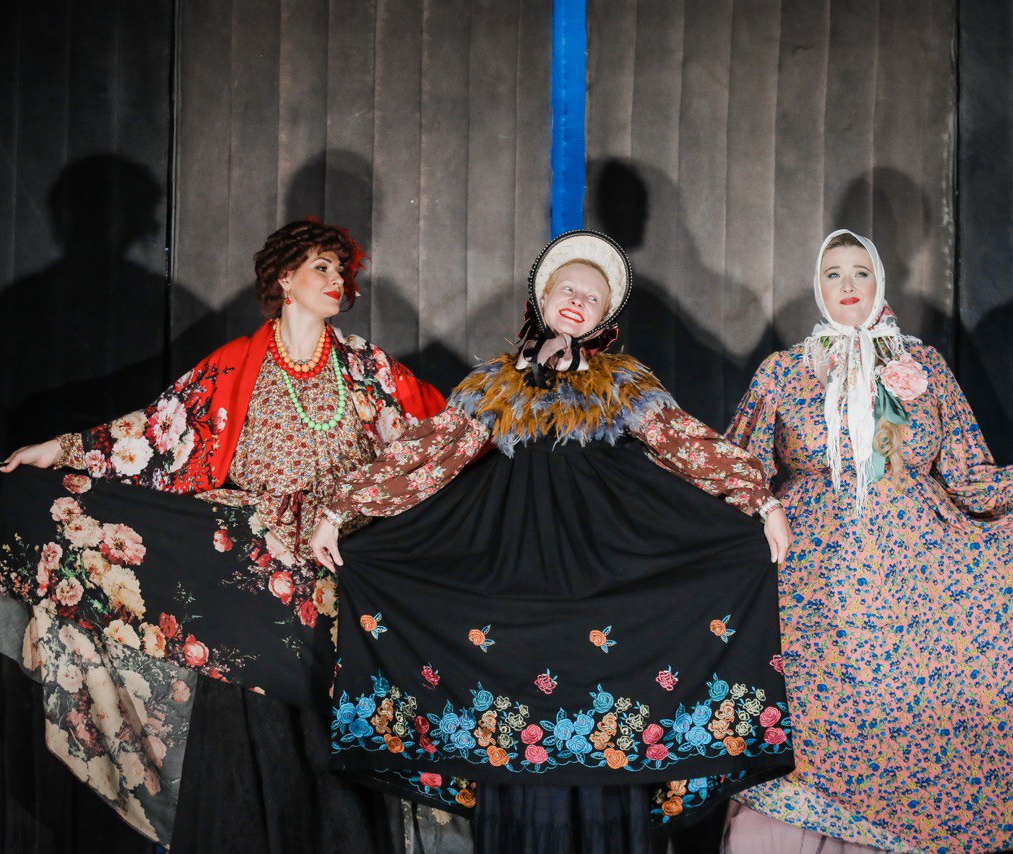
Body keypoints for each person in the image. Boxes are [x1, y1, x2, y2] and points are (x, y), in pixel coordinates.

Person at [311, 230, 795, 852]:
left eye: (591, 297)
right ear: (542, 298)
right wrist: (342, 509)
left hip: (606, 582)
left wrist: (761, 502)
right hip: (513, 584)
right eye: (568, 288)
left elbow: (687, 443)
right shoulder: (493, 386)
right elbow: (428, 455)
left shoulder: (625, 384)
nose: (576, 301)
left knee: (608, 725)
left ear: (604, 318)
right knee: (517, 731)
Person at [0, 219, 452, 850]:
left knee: (334, 724)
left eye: (341, 271)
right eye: (320, 267)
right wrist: (60, 450)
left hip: (340, 570)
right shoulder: (237, 364)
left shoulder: (366, 366)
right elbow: (156, 434)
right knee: (251, 726)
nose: (336, 280)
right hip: (252, 580)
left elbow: (440, 434)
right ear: (285, 277)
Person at [721, 229, 1013, 853]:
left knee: (917, 716)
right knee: (826, 721)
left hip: (920, 572)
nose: (848, 286)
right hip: (817, 579)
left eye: (860, 272)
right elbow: (737, 466)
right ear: (817, 286)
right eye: (833, 274)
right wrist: (758, 513)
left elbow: (966, 469)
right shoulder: (786, 372)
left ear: (880, 281)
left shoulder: (922, 366)